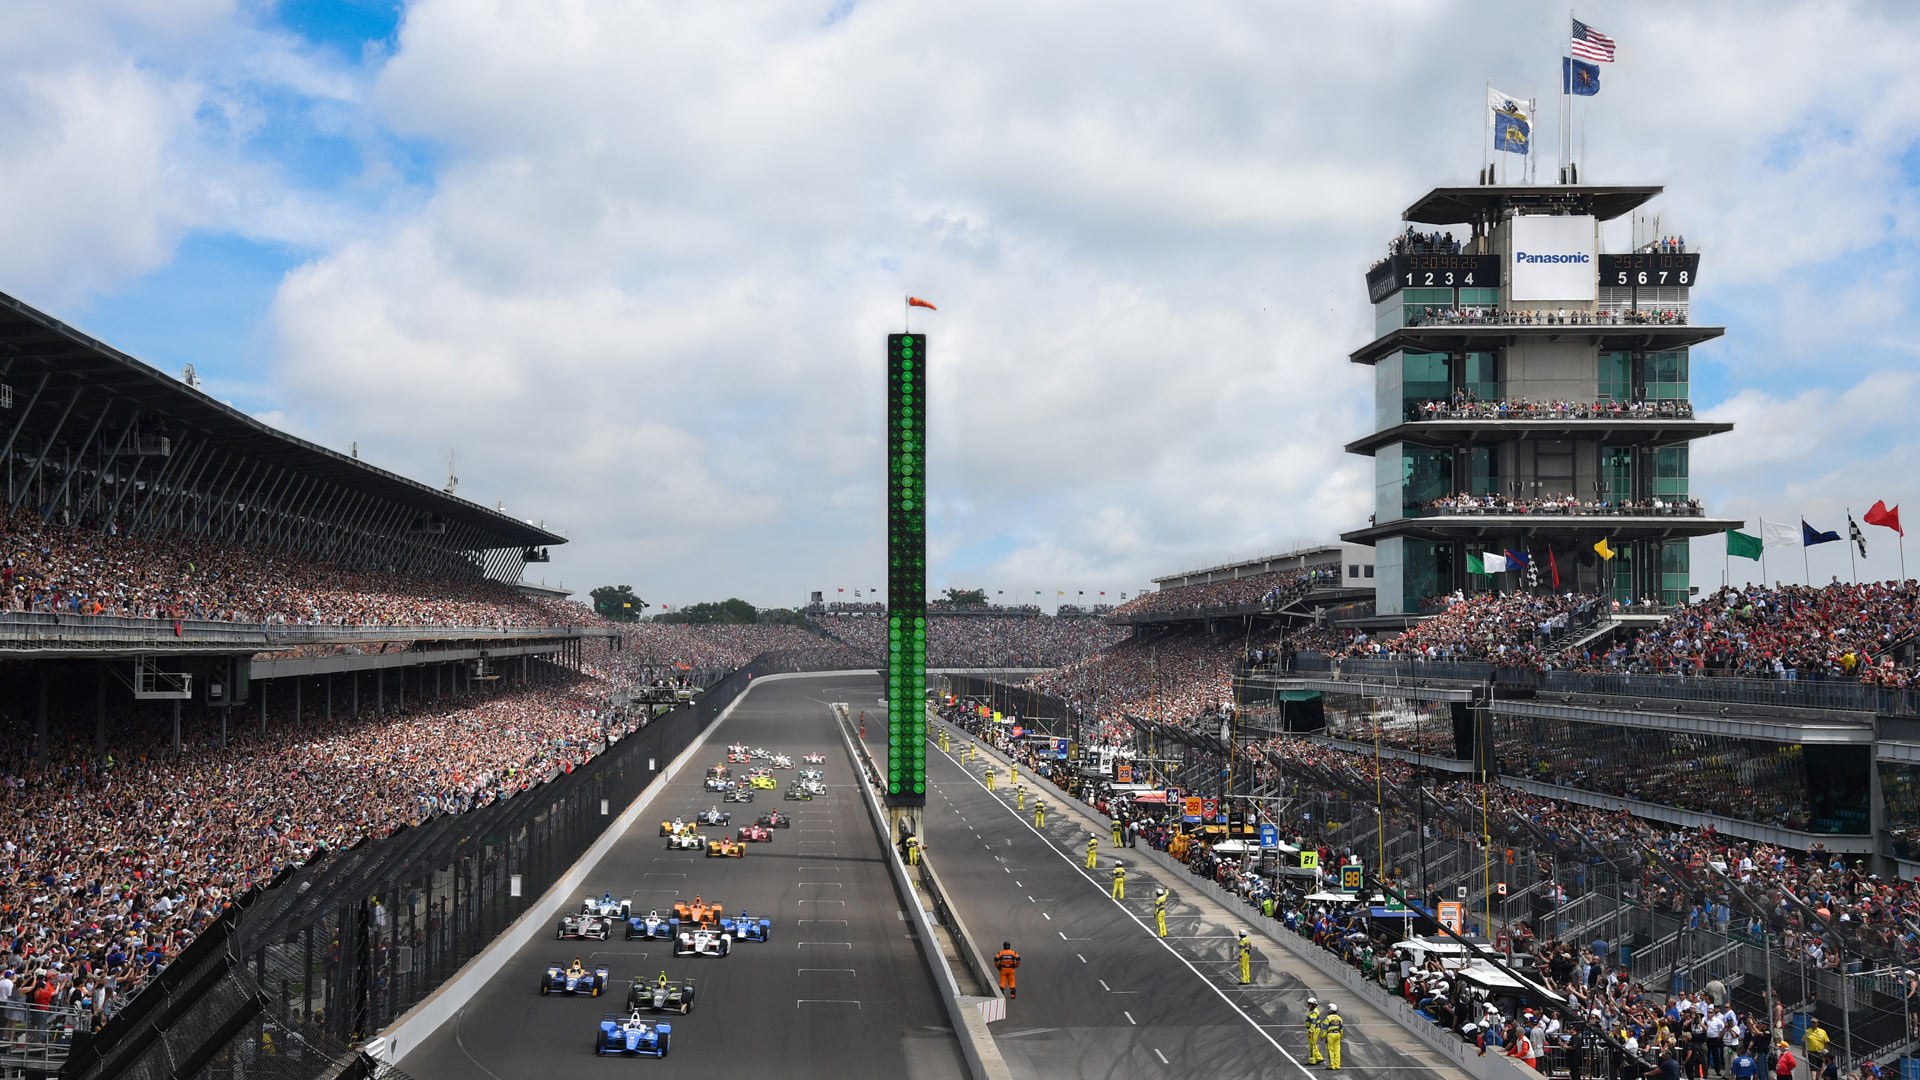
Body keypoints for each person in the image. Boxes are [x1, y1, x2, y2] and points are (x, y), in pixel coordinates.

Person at [1324, 1002, 1343, 1069]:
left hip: (1330, 1035)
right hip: (1338, 1034)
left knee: (1330, 1050)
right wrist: (1341, 1036)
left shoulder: (1328, 1018)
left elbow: (1325, 1029)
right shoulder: (1339, 1018)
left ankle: (1332, 1065)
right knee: (1337, 1050)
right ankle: (1337, 1065)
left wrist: (1322, 1036)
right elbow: (1341, 1029)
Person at [1306, 996, 1324, 1065]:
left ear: (1313, 1005)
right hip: (1315, 1029)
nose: (1308, 1006)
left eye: (1310, 1004)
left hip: (1314, 1029)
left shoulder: (1313, 1013)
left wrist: (1310, 1031)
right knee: (1314, 1044)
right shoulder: (1313, 1011)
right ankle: (1319, 1058)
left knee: (1311, 1045)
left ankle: (1312, 1060)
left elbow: (1313, 1023)